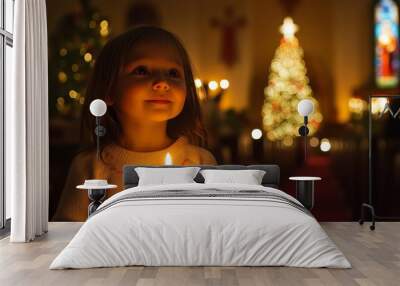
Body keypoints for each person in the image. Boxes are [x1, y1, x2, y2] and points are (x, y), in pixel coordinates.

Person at [54, 26, 217, 221]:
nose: (162, 83)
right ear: (109, 90)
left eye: (173, 73)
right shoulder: (91, 166)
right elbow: (67, 233)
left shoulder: (201, 162)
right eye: (141, 70)